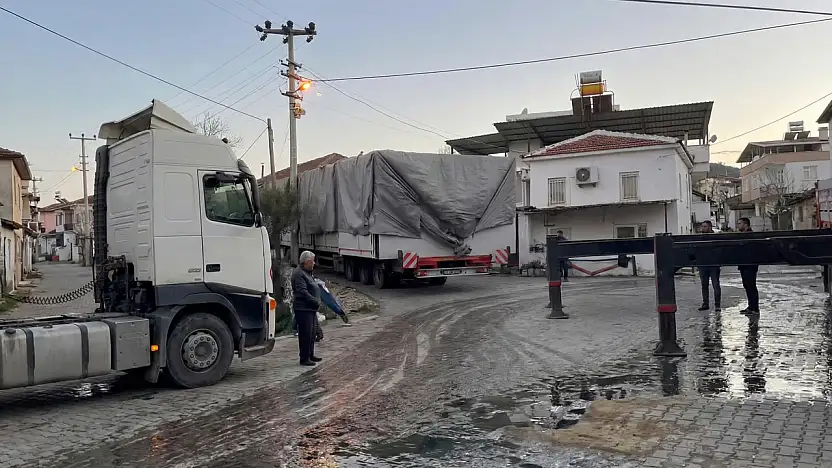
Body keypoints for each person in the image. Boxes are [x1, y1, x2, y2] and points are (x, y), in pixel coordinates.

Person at [291, 251, 322, 366]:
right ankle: (304, 358)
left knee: (312, 332)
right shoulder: (299, 274)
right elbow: (302, 291)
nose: (314, 263)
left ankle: (310, 354)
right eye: (312, 261)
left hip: (310, 308)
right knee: (305, 333)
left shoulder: (307, 272)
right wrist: (314, 301)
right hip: (303, 308)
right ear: (307, 262)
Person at [696, 220, 721, 312]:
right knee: (704, 285)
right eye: (702, 226)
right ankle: (705, 303)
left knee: (716, 284)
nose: (703, 228)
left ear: (710, 227)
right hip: (703, 264)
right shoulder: (700, 237)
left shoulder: (716, 238)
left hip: (713, 264)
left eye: (705, 226)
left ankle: (717, 305)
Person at [737, 217, 759, 316]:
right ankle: (751, 306)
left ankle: (755, 308)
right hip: (744, 264)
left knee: (751, 286)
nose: (738, 225)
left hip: (750, 265)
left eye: (740, 223)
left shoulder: (750, 235)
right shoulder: (742, 235)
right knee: (747, 285)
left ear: (746, 225)